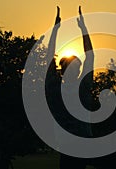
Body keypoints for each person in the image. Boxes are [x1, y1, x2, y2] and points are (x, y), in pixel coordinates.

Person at [45, 6, 94, 169]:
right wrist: (55, 29)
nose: (77, 69)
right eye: (73, 67)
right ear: (65, 70)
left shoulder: (83, 86)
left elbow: (90, 55)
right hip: (68, 145)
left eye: (77, 67)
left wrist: (84, 29)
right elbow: (48, 58)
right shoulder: (56, 88)